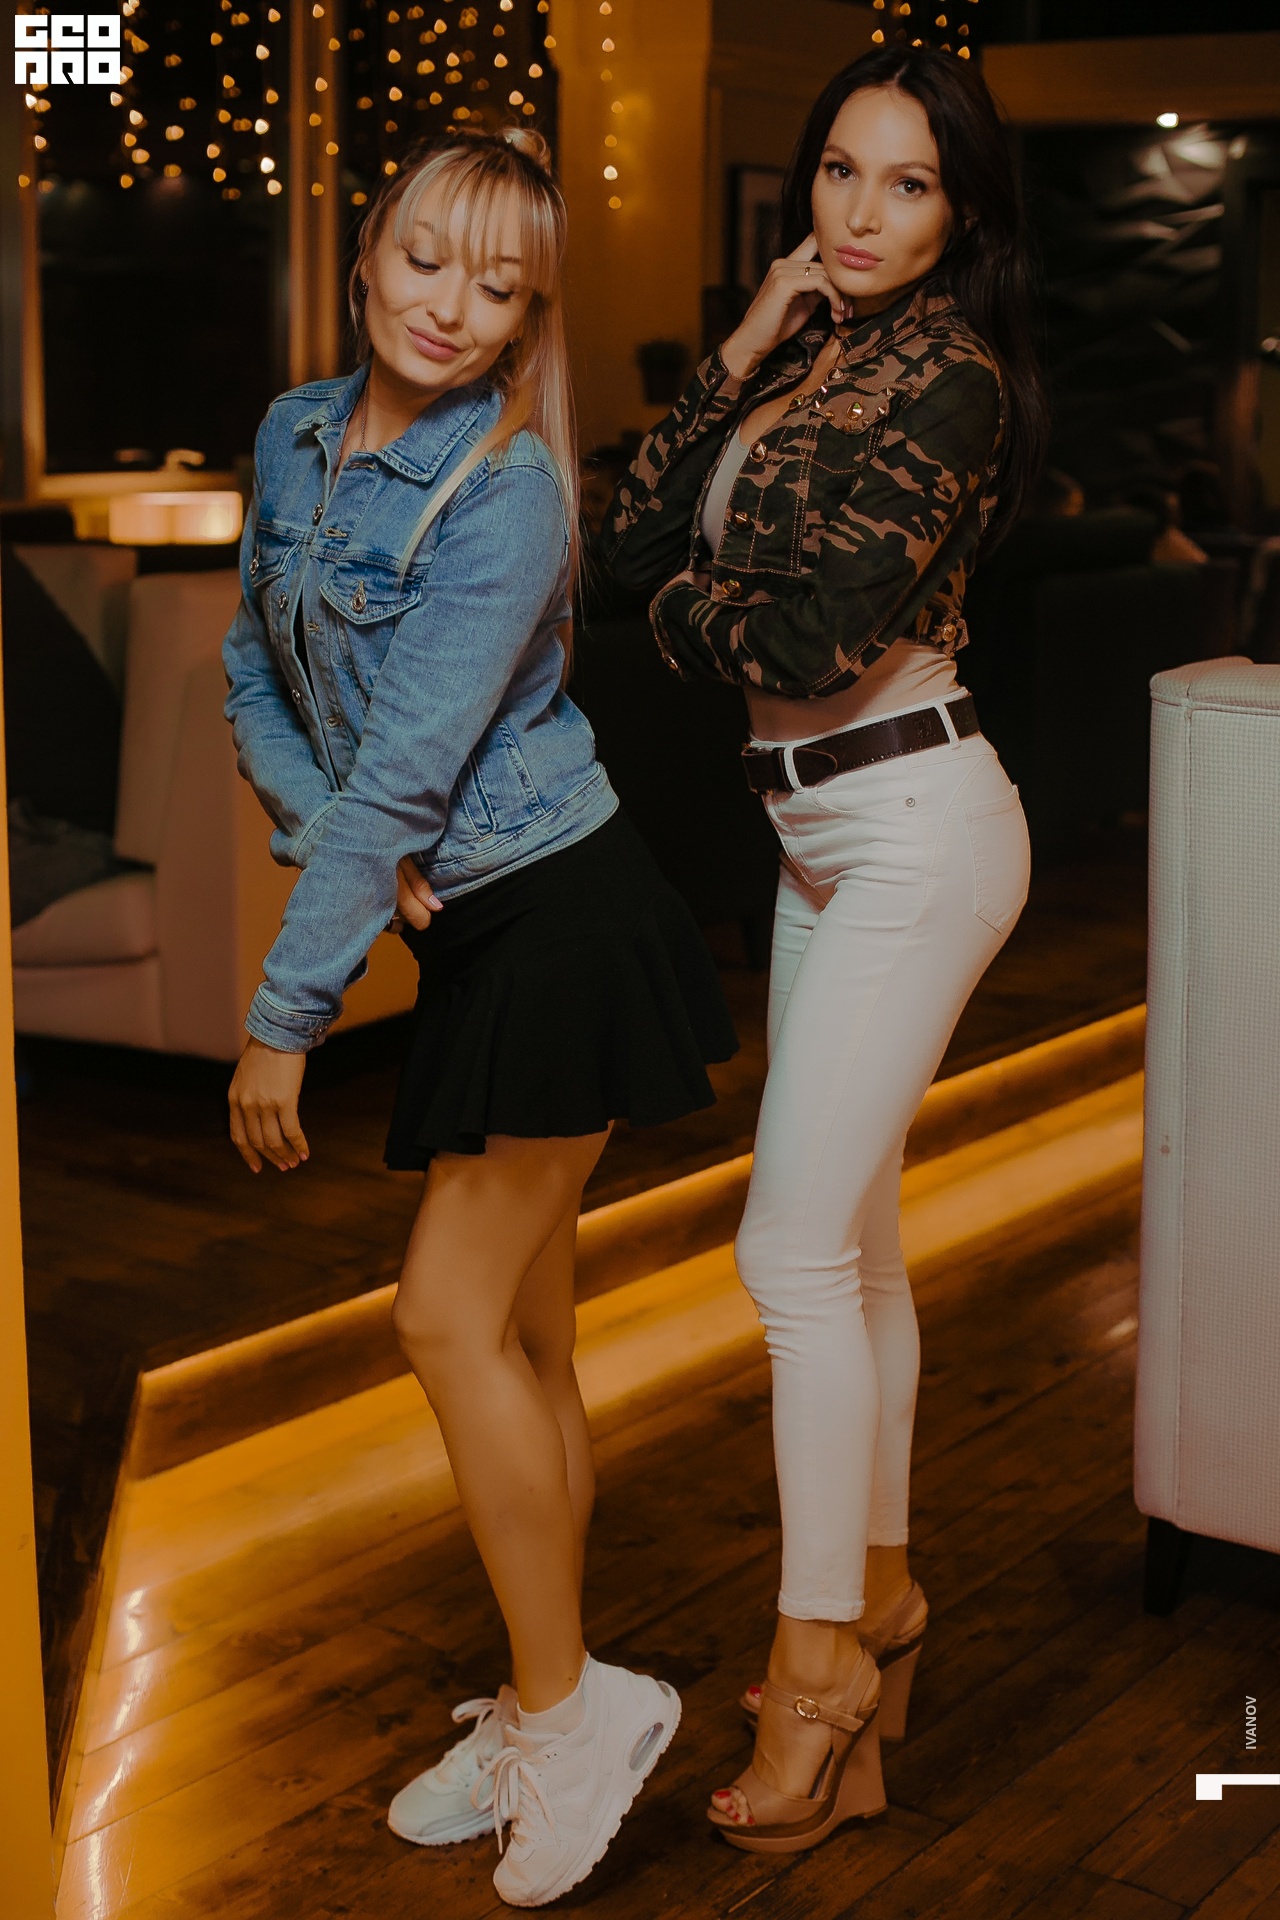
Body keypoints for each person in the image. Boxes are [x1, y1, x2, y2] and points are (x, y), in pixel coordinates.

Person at [221, 125, 737, 1908]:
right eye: (430, 261)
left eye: (501, 287)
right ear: (368, 253)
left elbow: (413, 772)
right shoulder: (294, 434)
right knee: (528, 1343)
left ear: (531, 317)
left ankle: (572, 1711)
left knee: (442, 1319)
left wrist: (287, 1014)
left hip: (561, 917)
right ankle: (549, 1699)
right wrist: (338, 842)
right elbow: (254, 670)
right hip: (471, 926)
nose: (454, 308)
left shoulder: (505, 487)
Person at [600, 45, 1047, 1852]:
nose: (861, 214)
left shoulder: (957, 382)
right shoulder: (808, 349)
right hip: (813, 834)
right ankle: (886, 1587)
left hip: (921, 824)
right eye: (841, 174)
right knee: (853, 1253)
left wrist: (675, 609)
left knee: (785, 1254)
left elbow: (818, 639)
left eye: (908, 184)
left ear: (960, 211)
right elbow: (630, 531)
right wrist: (737, 350)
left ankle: (818, 1663)